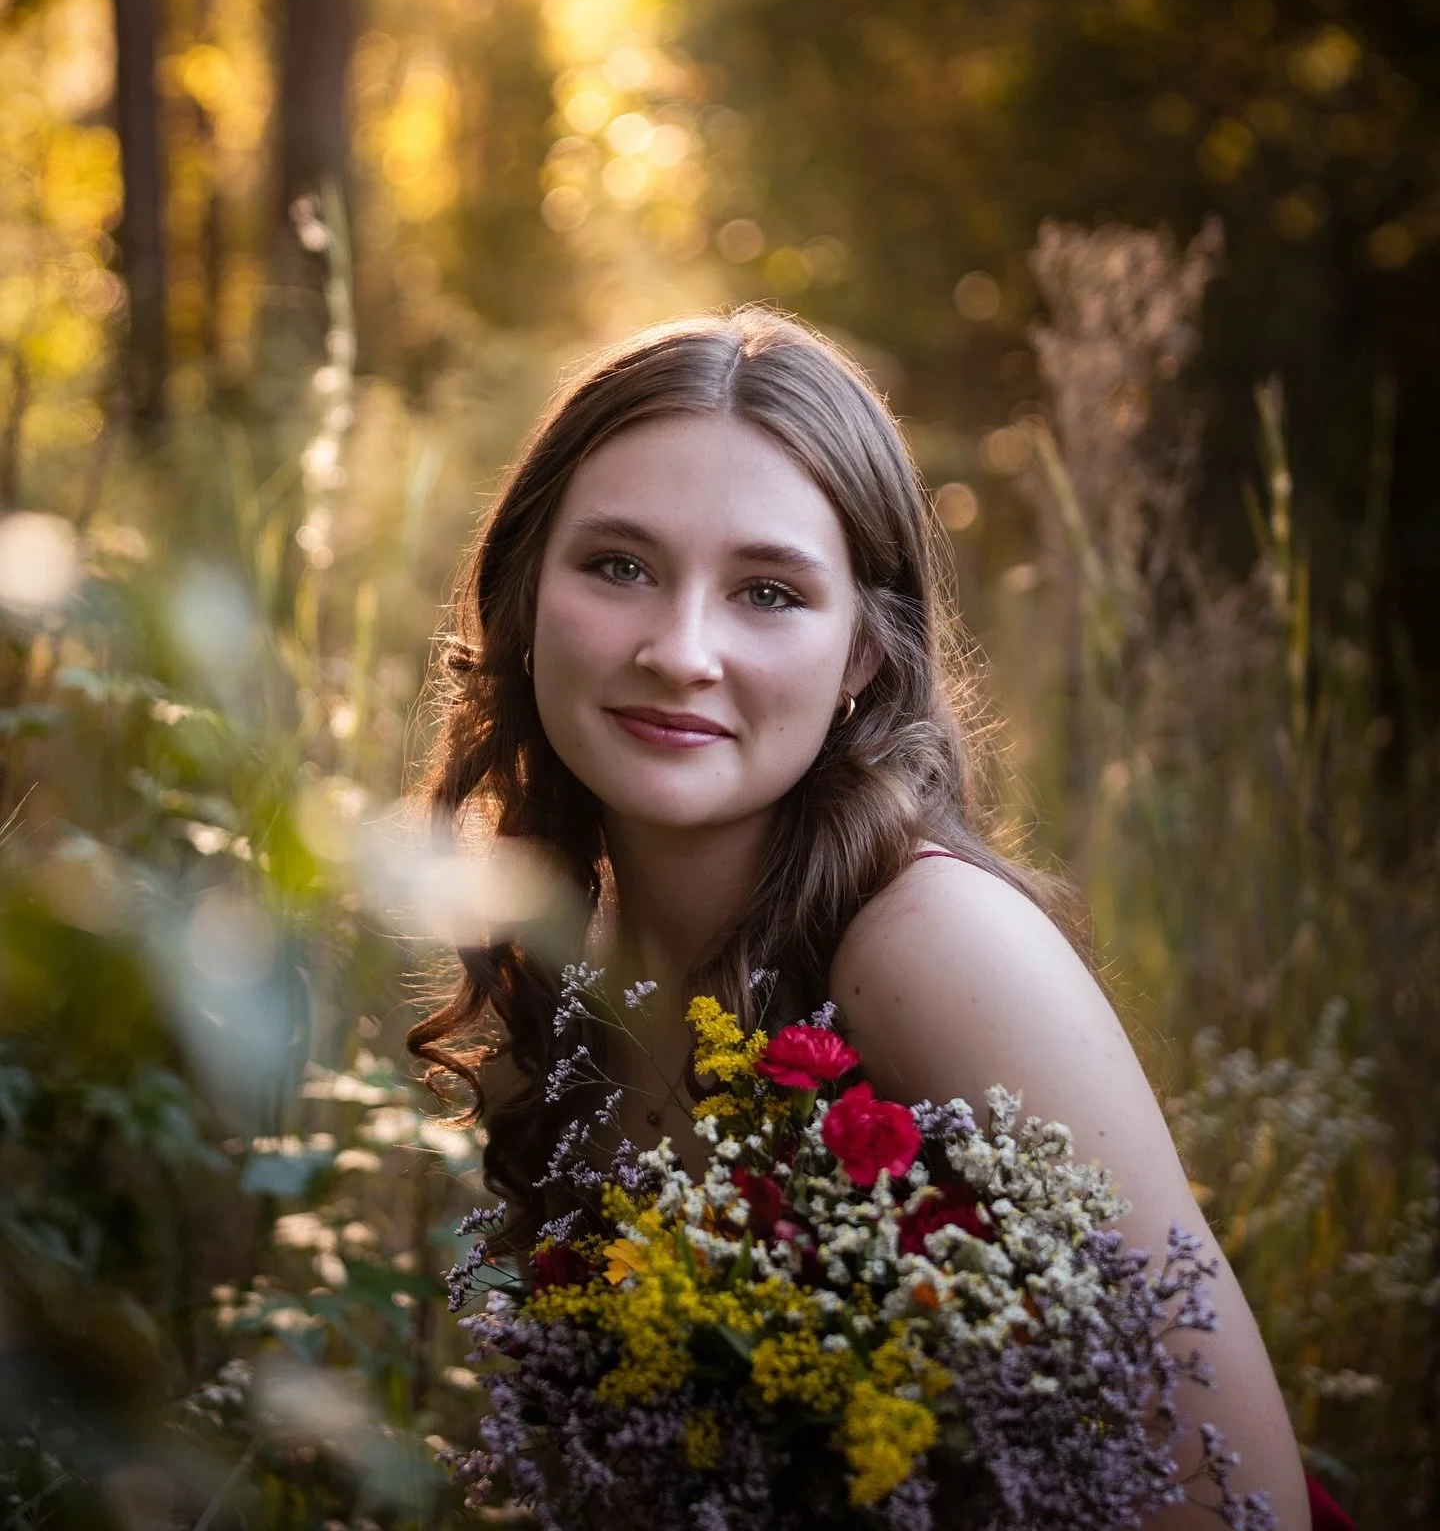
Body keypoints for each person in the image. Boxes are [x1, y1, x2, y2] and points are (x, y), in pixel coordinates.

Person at [409, 307, 1329, 1528]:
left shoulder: (931, 946)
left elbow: (1232, 1487)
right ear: (523, 599)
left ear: (862, 657)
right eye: (620, 566)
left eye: (770, 592)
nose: (682, 651)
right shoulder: (573, 958)